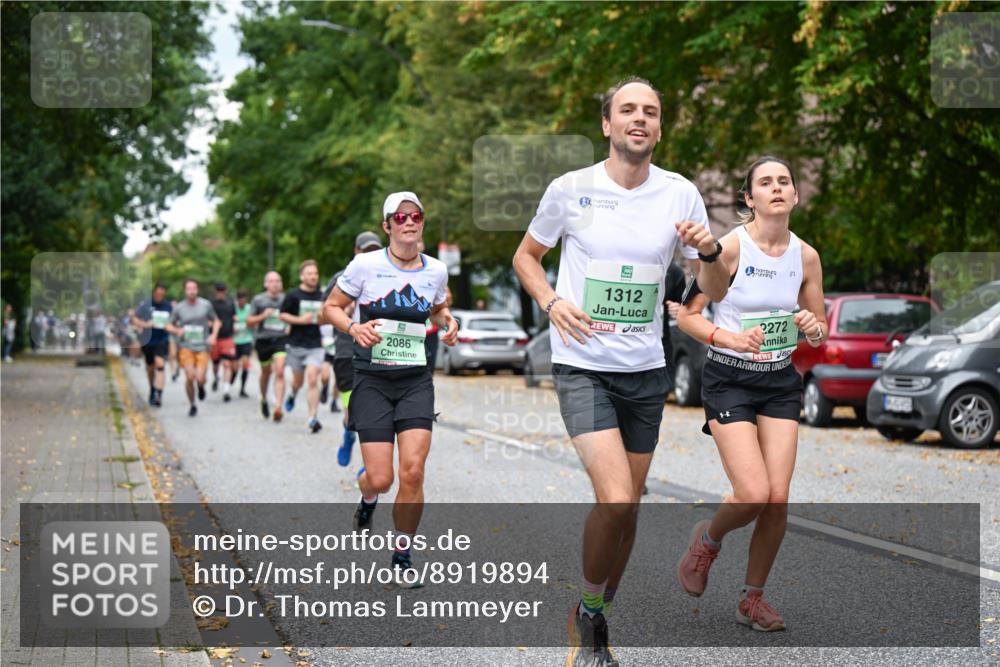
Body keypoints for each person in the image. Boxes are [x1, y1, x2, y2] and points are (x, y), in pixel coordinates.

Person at [512, 77, 729, 667]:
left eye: (651, 112)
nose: (640, 118)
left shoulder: (680, 194)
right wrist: (553, 303)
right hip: (583, 364)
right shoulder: (570, 188)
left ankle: (597, 606)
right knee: (613, 499)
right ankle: (591, 615)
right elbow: (525, 257)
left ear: (659, 128)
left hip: (645, 370)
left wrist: (709, 254)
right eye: (628, 110)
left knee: (628, 507)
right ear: (607, 125)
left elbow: (710, 290)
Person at [675, 156, 827, 632]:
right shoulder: (730, 248)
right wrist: (729, 338)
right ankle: (709, 541)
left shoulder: (806, 256)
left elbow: (819, 330)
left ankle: (752, 599)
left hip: (780, 379)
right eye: (766, 182)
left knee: (777, 497)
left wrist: (810, 325)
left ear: (796, 196)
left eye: (785, 181)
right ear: (749, 198)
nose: (777, 188)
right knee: (753, 492)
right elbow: (688, 316)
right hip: (729, 378)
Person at [323, 192, 457, 582]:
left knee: (412, 472)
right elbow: (330, 307)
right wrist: (353, 326)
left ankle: (402, 554)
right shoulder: (364, 266)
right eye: (400, 217)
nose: (409, 222)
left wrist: (448, 321)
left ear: (422, 222)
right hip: (372, 380)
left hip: (415, 380)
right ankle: (367, 498)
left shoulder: (436, 270)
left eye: (415, 215)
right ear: (387, 226)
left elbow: (436, 305)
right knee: (381, 478)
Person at [323, 231, 384, 466]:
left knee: (374, 414)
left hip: (377, 352)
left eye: (374, 250)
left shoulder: (389, 276)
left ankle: (369, 469)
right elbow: (323, 313)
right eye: (366, 251)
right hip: (347, 352)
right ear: (356, 252)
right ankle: (349, 435)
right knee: (354, 414)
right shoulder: (341, 278)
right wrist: (345, 315)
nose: (370, 255)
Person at [280, 260, 326, 433]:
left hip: (315, 344)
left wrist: (323, 318)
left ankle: (312, 418)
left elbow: (327, 316)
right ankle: (292, 393)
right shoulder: (293, 295)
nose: (313, 276)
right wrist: (299, 320)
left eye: (315, 273)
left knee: (313, 378)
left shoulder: (322, 295)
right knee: (298, 381)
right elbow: (282, 315)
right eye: (309, 273)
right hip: (296, 344)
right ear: (302, 276)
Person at [167, 279, 220, 417]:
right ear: (185, 291)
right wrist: (177, 331)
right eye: (189, 288)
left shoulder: (205, 305)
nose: (192, 291)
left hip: (202, 346)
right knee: (190, 377)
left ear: (197, 289)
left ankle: (201, 386)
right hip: (186, 346)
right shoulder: (179, 307)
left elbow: (216, 321)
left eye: (194, 288)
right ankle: (192, 404)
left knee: (200, 378)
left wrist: (213, 335)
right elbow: (168, 325)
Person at [247, 271, 289, 421]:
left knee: (279, 371)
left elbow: (292, 316)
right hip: (263, 340)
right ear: (266, 284)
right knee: (266, 373)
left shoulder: (286, 299)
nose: (275, 283)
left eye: (277, 280)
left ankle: (278, 406)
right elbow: (249, 321)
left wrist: (289, 325)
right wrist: (263, 316)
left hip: (281, 339)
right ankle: (263, 398)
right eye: (271, 281)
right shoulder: (259, 300)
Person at [131, 283, 173, 406]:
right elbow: (134, 318)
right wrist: (145, 325)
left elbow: (174, 320)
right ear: (154, 292)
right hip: (148, 340)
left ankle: (159, 394)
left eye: (162, 294)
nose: (160, 295)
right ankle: (152, 389)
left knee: (160, 364)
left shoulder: (168, 306)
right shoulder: (145, 305)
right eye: (158, 293)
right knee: (150, 368)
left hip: (162, 339)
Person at [210, 283, 238, 402]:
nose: (221, 293)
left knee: (227, 364)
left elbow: (234, 316)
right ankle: (216, 377)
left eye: (223, 291)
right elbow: (208, 318)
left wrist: (235, 324)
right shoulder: (211, 304)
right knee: (216, 363)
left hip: (227, 337)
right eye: (219, 291)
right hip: (215, 338)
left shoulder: (230, 303)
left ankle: (226, 390)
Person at [233, 288, 254, 398]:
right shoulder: (233, 309)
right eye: (240, 300)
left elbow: (253, 322)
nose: (242, 302)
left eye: (244, 300)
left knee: (245, 365)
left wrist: (249, 323)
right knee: (235, 367)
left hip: (246, 340)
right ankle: (231, 378)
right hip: (235, 341)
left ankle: (242, 389)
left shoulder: (249, 309)